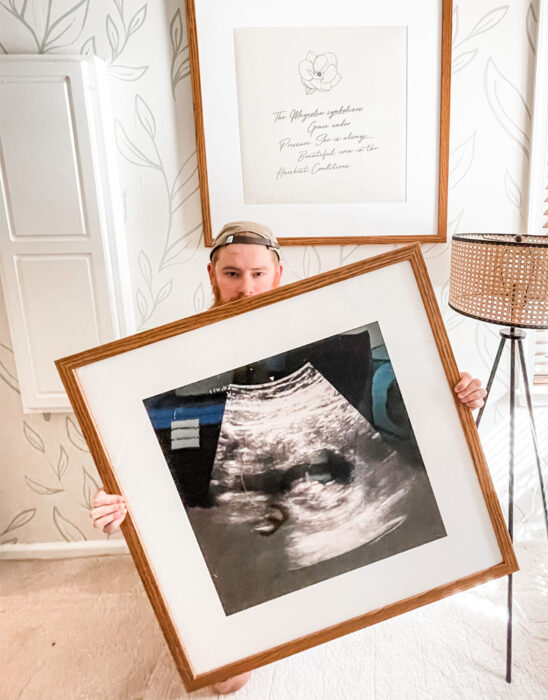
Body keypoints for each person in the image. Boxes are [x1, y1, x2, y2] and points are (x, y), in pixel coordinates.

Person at [90, 221, 487, 695]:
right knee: (227, 682)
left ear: (278, 273)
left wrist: (450, 394)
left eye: (258, 274)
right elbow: (139, 447)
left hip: (312, 492)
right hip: (226, 502)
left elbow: (395, 398)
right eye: (233, 274)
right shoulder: (170, 357)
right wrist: (117, 496)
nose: (247, 288)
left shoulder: (324, 333)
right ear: (212, 274)